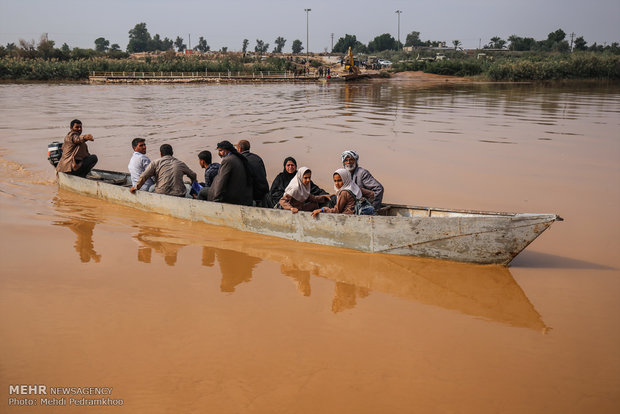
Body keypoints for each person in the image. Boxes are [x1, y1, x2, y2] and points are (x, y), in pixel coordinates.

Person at [129, 144, 197, 197]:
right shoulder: (180, 163)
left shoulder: (155, 162)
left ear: (161, 154)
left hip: (161, 193)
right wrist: (192, 182)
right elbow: (193, 175)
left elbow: (144, 176)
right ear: (172, 153)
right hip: (179, 194)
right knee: (187, 186)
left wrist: (136, 187)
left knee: (151, 188)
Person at [205, 140, 253, 205]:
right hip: (239, 194)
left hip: (231, 197)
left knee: (202, 192)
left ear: (227, 150)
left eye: (220, 151)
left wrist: (216, 200)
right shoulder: (237, 157)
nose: (219, 154)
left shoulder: (227, 160)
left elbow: (221, 181)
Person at [236, 139, 269, 205]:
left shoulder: (240, 160)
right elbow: (264, 174)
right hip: (264, 190)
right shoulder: (257, 158)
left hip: (252, 194)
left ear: (240, 149)